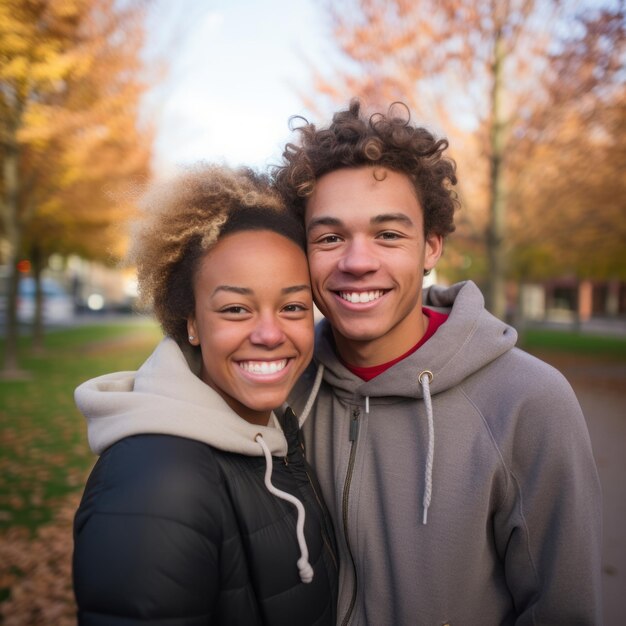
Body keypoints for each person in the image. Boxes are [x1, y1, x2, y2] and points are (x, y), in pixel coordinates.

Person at [272, 100, 603, 625]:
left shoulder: (529, 401)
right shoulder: (280, 387)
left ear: (431, 247)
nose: (358, 262)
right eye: (330, 237)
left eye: (388, 234)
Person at [72, 165, 338, 625]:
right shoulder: (158, 484)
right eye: (236, 309)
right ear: (191, 322)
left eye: (293, 306)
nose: (271, 333)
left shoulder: (275, 436)